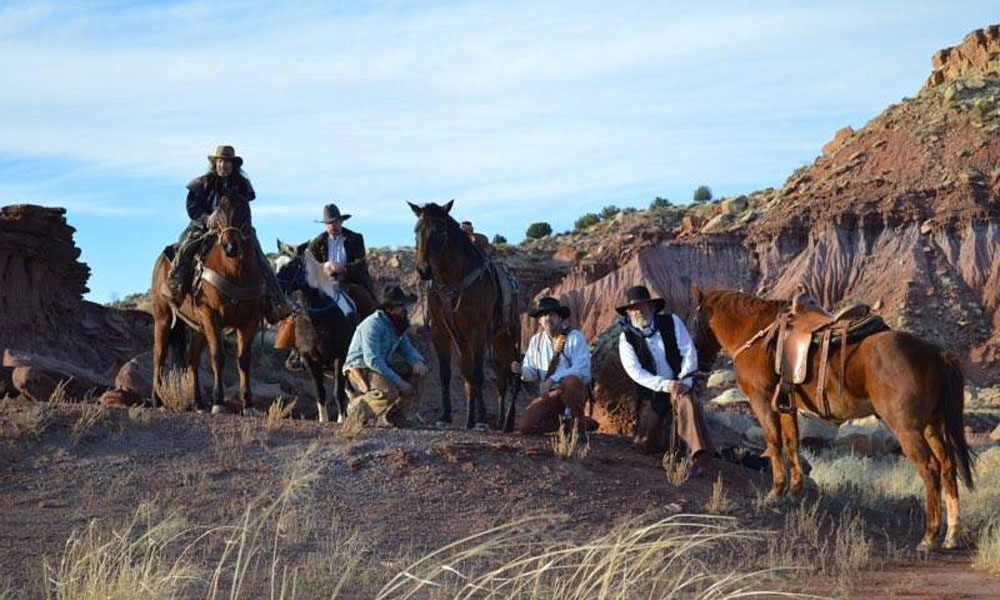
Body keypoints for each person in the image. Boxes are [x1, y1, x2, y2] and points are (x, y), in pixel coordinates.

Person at [167, 145, 290, 323]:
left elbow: (242, 205)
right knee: (186, 246)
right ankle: (177, 286)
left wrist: (224, 212)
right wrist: (206, 217)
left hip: (235, 228)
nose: (223, 165)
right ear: (215, 163)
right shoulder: (202, 183)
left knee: (259, 255)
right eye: (220, 161)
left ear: (233, 165)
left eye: (227, 162)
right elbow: (192, 207)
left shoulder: (241, 185)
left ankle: (275, 302)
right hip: (205, 226)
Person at [616, 285, 714, 473]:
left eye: (642, 307)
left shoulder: (672, 322)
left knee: (686, 402)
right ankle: (665, 444)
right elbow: (635, 372)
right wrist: (666, 385)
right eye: (634, 309)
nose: (638, 312)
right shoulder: (626, 338)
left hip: (680, 383)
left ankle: (697, 456)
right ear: (628, 313)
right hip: (654, 393)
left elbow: (688, 351)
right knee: (645, 443)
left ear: (651, 307)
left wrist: (684, 380)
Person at [342, 285, 429, 427]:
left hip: (378, 366)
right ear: (389, 309)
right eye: (401, 306)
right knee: (390, 391)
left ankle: (396, 415)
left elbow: (407, 349)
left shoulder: (397, 325)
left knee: (420, 372)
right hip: (361, 368)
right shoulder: (372, 325)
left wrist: (417, 361)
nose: (405, 310)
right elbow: (372, 360)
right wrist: (399, 382)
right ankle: (357, 407)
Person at [513, 297, 598, 434]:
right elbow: (531, 373)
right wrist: (520, 369)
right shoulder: (536, 341)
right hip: (550, 394)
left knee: (571, 382)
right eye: (543, 315)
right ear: (539, 321)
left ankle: (577, 427)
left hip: (574, 392)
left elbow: (582, 370)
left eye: (551, 314)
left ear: (559, 318)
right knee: (526, 427)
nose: (547, 318)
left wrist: (552, 379)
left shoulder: (574, 337)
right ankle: (576, 423)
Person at [306, 203, 379, 316]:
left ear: (341, 221)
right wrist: (324, 267)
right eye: (329, 223)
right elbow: (311, 266)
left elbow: (361, 264)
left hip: (351, 281)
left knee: (364, 302)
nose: (332, 226)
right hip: (326, 284)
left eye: (335, 222)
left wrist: (343, 269)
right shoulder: (316, 244)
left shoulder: (355, 239)